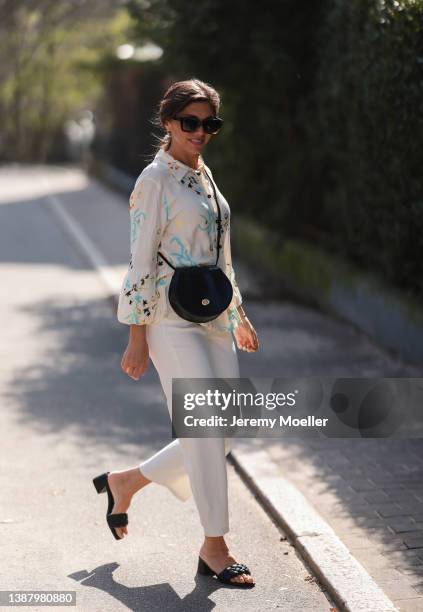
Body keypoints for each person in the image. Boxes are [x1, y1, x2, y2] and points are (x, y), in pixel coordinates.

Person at [93, 78, 259, 587]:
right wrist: (137, 334)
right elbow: (139, 260)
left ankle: (125, 482)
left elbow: (221, 256)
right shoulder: (154, 180)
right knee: (206, 430)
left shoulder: (205, 178)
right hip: (168, 319)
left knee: (224, 429)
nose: (200, 131)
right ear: (168, 122)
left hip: (213, 315)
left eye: (210, 123)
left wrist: (240, 316)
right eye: (190, 122)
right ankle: (215, 546)